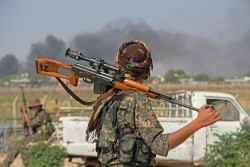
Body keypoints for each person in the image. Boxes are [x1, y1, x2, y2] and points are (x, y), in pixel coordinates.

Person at [86, 40, 221, 167]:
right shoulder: (136, 99)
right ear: (145, 72)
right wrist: (199, 122)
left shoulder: (109, 96)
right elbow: (160, 145)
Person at [2, 98, 55, 167]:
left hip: (43, 135)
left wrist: (25, 114)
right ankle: (6, 163)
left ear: (39, 106)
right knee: (18, 144)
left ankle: (28, 165)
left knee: (23, 146)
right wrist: (23, 114)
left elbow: (31, 124)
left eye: (36, 106)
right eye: (33, 107)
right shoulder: (38, 113)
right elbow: (26, 124)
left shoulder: (42, 113)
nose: (34, 108)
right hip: (39, 134)